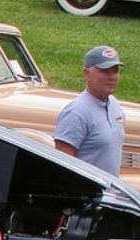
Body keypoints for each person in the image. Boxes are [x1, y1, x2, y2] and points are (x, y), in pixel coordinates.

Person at [54, 46, 125, 175]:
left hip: (110, 192)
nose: (112, 77)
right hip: (86, 193)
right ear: (87, 74)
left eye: (115, 71)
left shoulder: (114, 105)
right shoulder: (76, 112)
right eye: (104, 71)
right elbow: (62, 166)